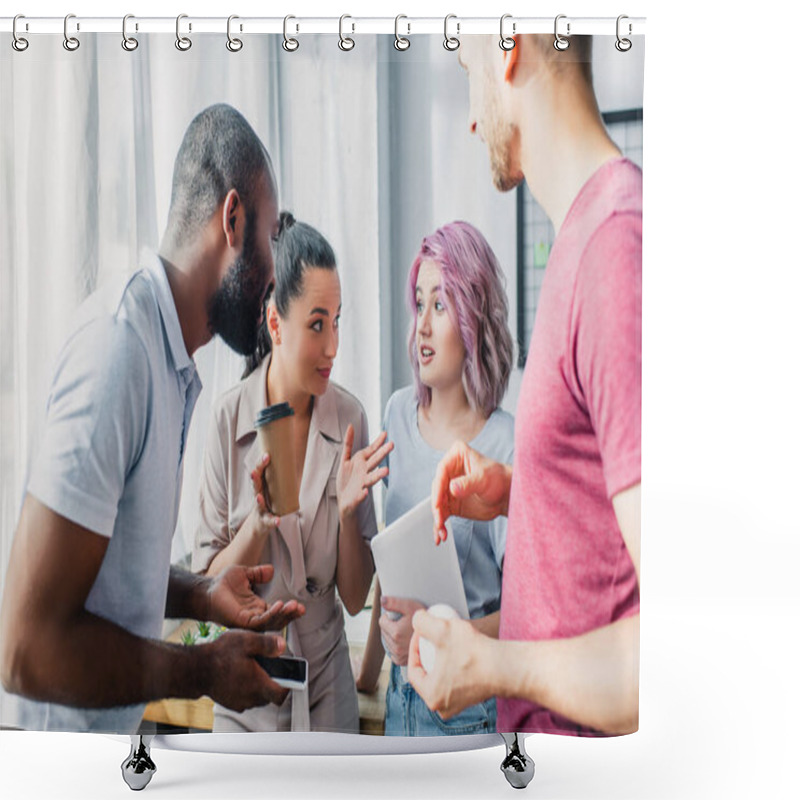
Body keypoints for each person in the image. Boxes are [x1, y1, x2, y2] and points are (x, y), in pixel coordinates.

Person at [0, 104, 305, 734]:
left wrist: (202, 593)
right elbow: (22, 651)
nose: (276, 282)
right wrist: (201, 669)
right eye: (272, 240)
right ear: (232, 218)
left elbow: (110, 569)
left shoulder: (171, 365)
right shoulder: (120, 353)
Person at [408, 34, 642, 736]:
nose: (472, 119)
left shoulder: (614, 250)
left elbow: (684, 651)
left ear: (510, 45)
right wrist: (522, 492)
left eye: (468, 68)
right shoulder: (583, 238)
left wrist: (493, 666)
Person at [193, 212, 392, 733]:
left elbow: (352, 598)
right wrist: (259, 524)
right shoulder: (226, 420)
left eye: (338, 321)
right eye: (317, 323)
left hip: (327, 689)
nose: (333, 346)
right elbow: (206, 593)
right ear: (276, 324)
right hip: (244, 692)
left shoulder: (350, 419)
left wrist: (349, 514)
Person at [356, 221, 514, 736]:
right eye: (418, 304)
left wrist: (437, 637)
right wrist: (368, 677)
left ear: (474, 320)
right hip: (400, 697)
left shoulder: (505, 447)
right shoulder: (397, 414)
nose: (421, 326)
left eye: (439, 306)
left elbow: (524, 616)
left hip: (468, 711)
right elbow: (394, 559)